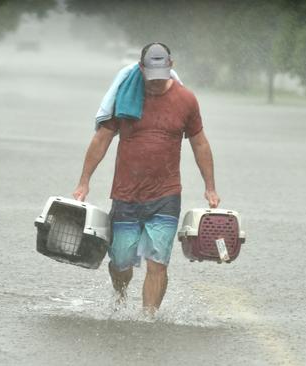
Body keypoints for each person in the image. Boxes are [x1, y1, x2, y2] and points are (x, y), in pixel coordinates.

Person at [73, 42, 219, 314]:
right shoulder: (126, 96)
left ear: (170, 67)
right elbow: (102, 139)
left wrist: (210, 187)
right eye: (150, 77)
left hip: (166, 196)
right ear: (141, 68)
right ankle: (121, 292)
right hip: (127, 194)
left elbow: (200, 144)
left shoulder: (186, 100)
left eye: (160, 77)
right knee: (121, 262)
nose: (154, 83)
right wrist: (84, 181)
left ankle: (147, 320)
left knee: (157, 262)